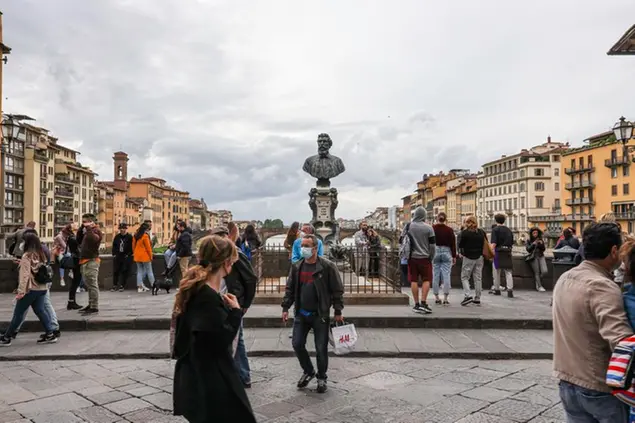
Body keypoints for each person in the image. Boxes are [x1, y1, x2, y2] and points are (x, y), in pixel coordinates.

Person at [172, 235, 256, 423]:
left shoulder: (196, 290)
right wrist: (235, 313)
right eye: (233, 262)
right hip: (210, 381)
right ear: (226, 263)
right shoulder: (207, 298)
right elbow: (219, 340)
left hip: (196, 376)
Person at [553, 222, 631, 422]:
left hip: (567, 380)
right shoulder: (602, 286)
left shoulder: (564, 278)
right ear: (614, 251)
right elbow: (621, 342)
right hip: (598, 387)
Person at [282, 234, 344, 394]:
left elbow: (337, 290)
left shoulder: (327, 266)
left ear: (315, 248)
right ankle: (308, 371)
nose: (303, 249)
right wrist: (285, 307)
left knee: (320, 348)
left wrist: (338, 310)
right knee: (297, 344)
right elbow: (290, 289)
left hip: (320, 314)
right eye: (302, 245)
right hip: (301, 314)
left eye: (306, 246)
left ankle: (322, 377)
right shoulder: (297, 267)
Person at [212, 223, 258, 389]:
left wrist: (245, 304)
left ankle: (243, 376)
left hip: (233, 302)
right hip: (217, 302)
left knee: (238, 340)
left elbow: (251, 279)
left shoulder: (235, 254)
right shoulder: (213, 255)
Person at [0, 232, 60, 345]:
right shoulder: (41, 253)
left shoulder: (27, 255)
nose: (22, 243)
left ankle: (6, 337)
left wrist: (21, 291)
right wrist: (21, 263)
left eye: (23, 241)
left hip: (30, 289)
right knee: (40, 311)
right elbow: (36, 267)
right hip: (42, 288)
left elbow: (25, 275)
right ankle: (50, 334)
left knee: (18, 313)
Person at [401, 206, 436, 314]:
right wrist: (431, 256)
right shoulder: (429, 228)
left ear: (414, 215)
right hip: (425, 258)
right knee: (426, 280)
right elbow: (433, 245)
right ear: (424, 216)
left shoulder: (408, 226)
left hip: (412, 258)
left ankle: (416, 304)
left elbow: (401, 240)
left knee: (414, 280)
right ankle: (423, 302)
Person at [77, 214, 103, 314]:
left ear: (92, 222)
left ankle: (94, 306)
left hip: (92, 261)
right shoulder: (86, 231)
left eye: (86, 221)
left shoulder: (96, 231)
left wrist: (88, 228)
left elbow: (94, 240)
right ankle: (91, 303)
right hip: (85, 260)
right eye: (83, 222)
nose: (84, 224)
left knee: (92, 284)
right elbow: (78, 240)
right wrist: (81, 229)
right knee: (88, 284)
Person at [458, 216, 487, 306]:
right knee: (478, 278)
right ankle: (477, 298)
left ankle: (468, 295)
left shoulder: (465, 233)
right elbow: (485, 243)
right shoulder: (481, 232)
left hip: (468, 257)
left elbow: (461, 245)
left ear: (467, 222)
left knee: (465, 277)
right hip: (479, 257)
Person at [432, 212, 456, 305]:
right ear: (445, 219)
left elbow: (429, 242)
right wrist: (454, 256)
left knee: (435, 275)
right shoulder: (449, 230)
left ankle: (437, 297)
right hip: (446, 252)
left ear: (437, 218)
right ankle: (445, 298)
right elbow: (453, 244)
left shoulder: (433, 228)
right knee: (446, 275)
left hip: (435, 251)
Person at [490, 214, 514, 298]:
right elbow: (511, 243)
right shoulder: (509, 230)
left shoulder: (495, 230)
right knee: (508, 272)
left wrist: (491, 252)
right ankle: (510, 290)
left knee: (496, 272)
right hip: (507, 251)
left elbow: (493, 243)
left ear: (496, 220)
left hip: (498, 252)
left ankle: (497, 289)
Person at [111, 223, 133, 292]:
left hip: (125, 256)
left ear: (126, 229)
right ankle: (114, 285)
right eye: (121, 228)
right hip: (118, 255)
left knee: (124, 271)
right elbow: (114, 246)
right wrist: (114, 254)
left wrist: (129, 254)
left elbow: (132, 247)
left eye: (123, 228)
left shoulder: (129, 237)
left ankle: (122, 286)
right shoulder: (117, 237)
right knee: (116, 271)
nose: (122, 230)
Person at [133, 222, 154, 293]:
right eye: (148, 229)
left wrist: (134, 253)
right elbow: (148, 248)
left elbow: (133, 246)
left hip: (137, 256)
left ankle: (140, 287)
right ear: (145, 229)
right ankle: (154, 285)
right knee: (149, 271)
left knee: (139, 271)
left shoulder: (135, 235)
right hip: (145, 256)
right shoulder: (145, 236)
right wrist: (151, 256)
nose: (148, 230)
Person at [526, 228, 547, 292]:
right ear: (531, 234)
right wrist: (533, 244)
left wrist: (541, 244)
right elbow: (528, 249)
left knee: (544, 271)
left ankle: (537, 281)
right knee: (537, 272)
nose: (535, 234)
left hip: (541, 256)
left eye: (536, 233)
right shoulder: (529, 240)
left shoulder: (540, 239)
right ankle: (539, 286)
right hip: (533, 257)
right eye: (534, 233)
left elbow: (543, 249)